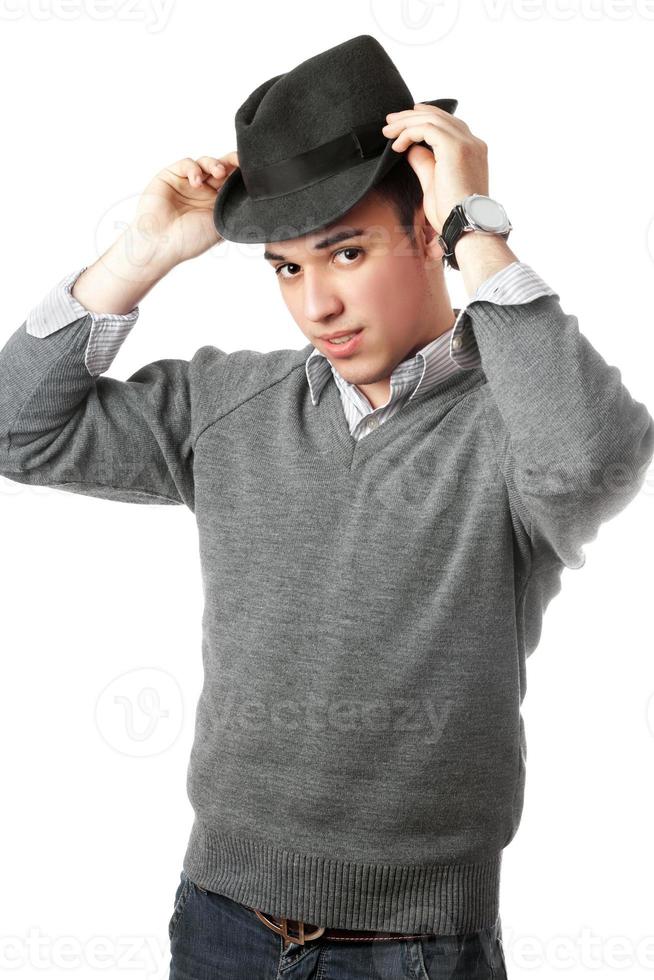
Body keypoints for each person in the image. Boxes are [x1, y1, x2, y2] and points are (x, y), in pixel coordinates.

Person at [1, 34, 652, 980]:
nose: (316, 304)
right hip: (221, 921)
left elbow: (599, 464)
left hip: (419, 946)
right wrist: (137, 257)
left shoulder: (518, 418)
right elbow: (17, 429)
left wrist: (478, 220)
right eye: (287, 269)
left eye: (345, 252)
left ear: (427, 236)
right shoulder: (227, 403)